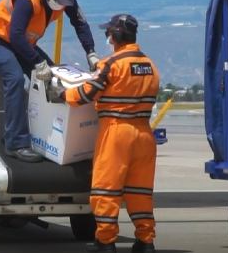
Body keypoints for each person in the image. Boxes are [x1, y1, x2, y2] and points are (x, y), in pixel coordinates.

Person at [48, 14, 160, 253]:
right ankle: (146, 240)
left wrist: (60, 94)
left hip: (116, 132)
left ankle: (106, 242)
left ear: (115, 35)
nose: (107, 37)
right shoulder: (150, 65)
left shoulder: (111, 64)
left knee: (105, 190)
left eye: (108, 33)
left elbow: (85, 94)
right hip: (144, 133)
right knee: (139, 191)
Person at [0, 0, 99, 163]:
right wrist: (38, 63)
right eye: (59, 0)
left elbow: (80, 23)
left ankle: (49, 139)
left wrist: (91, 52)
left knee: (53, 81)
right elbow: (16, 35)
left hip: (24, 44)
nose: (61, 5)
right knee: (15, 79)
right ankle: (15, 143)